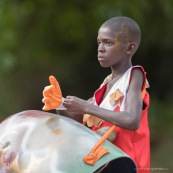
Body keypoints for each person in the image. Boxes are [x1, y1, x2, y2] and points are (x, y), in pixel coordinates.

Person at [42, 16, 150, 173]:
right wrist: (59, 103)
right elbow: (78, 122)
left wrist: (86, 107)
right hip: (102, 163)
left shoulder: (135, 75)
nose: (100, 48)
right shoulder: (105, 85)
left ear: (130, 48)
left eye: (108, 43)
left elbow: (132, 120)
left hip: (127, 164)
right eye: (99, 42)